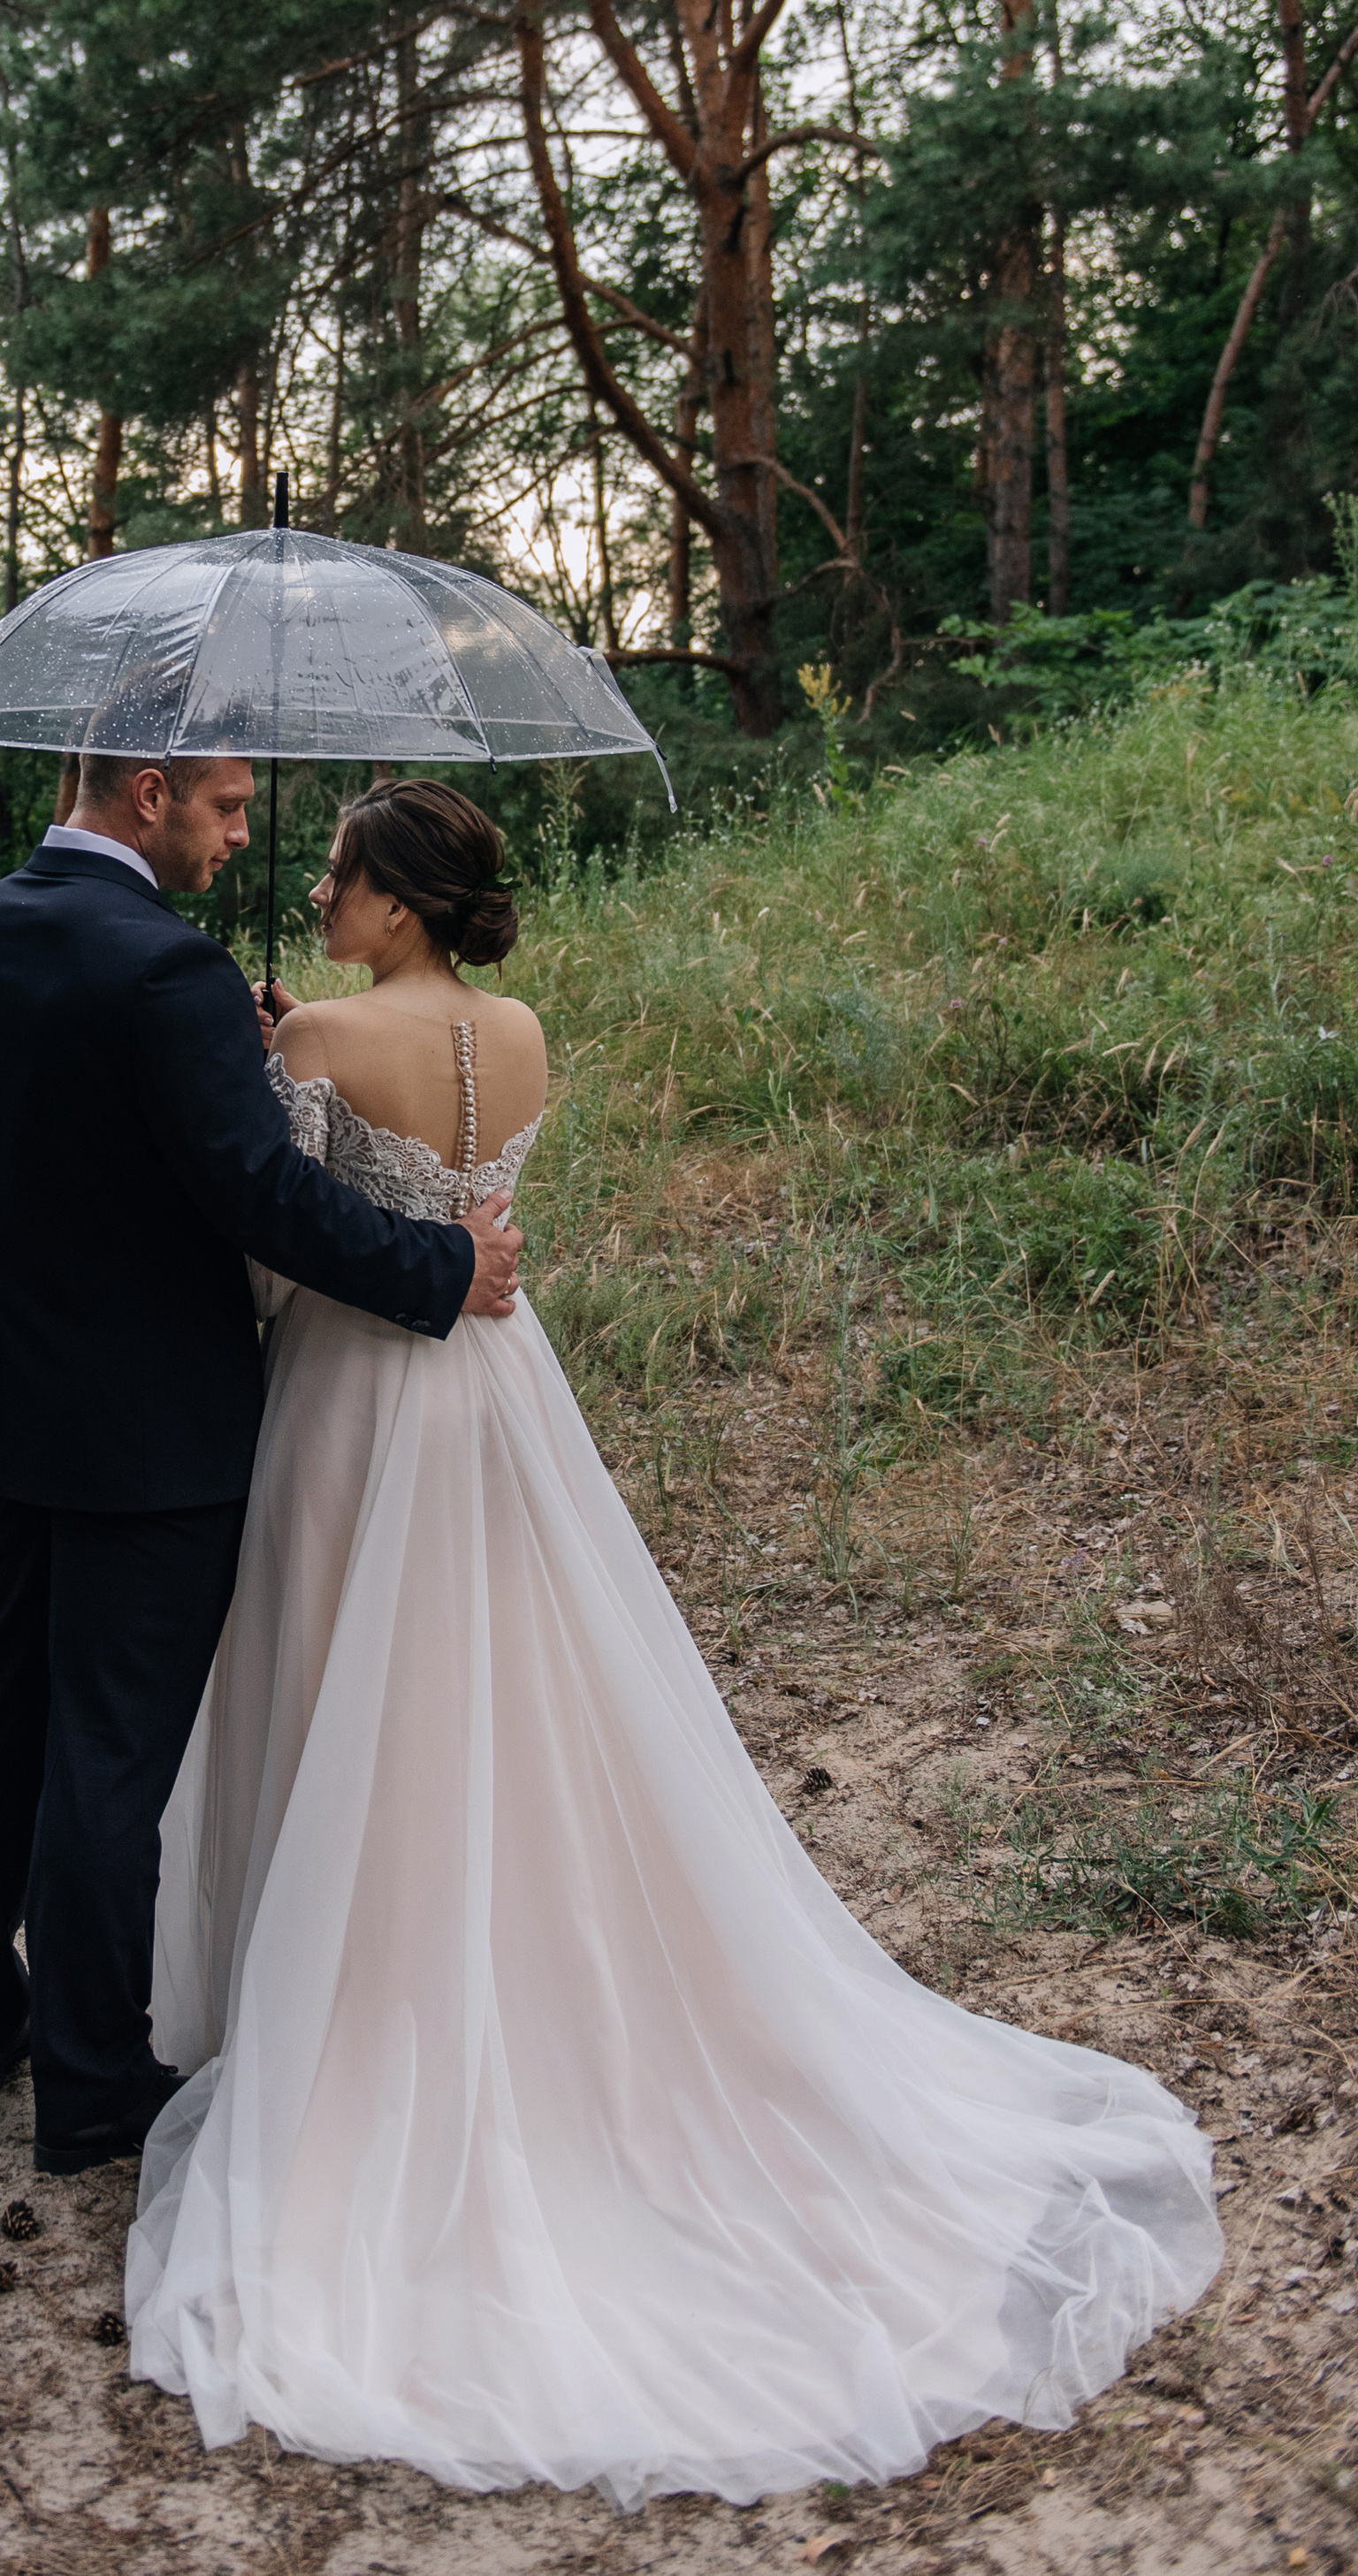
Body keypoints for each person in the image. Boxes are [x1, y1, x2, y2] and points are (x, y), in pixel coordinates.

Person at [128, 778, 1220, 2504]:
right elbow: (466, 1217)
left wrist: (280, 1064)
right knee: (500, 1687)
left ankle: (348, 2012)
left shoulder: (320, 1032)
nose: (322, 896)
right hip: (497, 1391)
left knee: (349, 1680)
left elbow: (279, 1259)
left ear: (395, 904)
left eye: (340, 877)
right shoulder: (524, 1026)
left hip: (352, 1403)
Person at [0, 749, 523, 2179]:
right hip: (153, 1430)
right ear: (147, 791)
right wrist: (448, 1261)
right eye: (230, 806)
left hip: (12, 1402)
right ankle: (89, 2081)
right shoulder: (166, 971)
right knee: (110, 1757)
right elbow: (263, 1193)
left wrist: (222, 1051)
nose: (245, 836)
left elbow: (76, 1142)